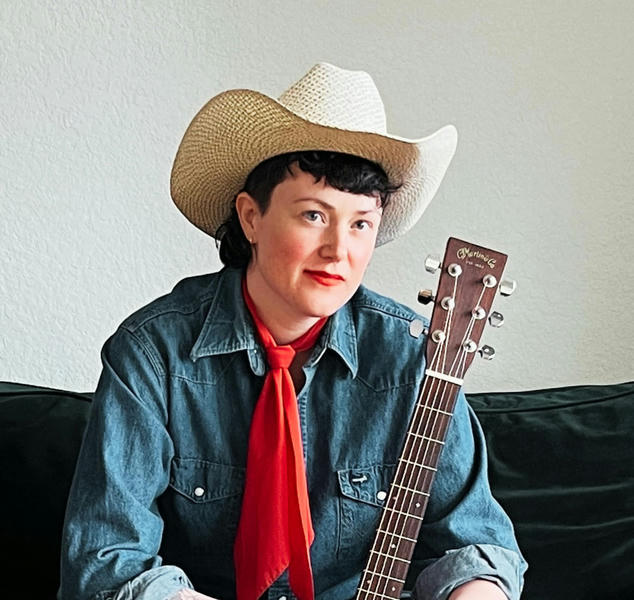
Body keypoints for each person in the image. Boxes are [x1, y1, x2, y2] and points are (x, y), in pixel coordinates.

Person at [59, 63, 527, 600]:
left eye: (360, 223)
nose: (338, 250)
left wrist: (477, 590)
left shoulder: (414, 356)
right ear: (251, 217)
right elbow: (106, 562)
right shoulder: (152, 355)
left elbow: (478, 544)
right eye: (313, 215)